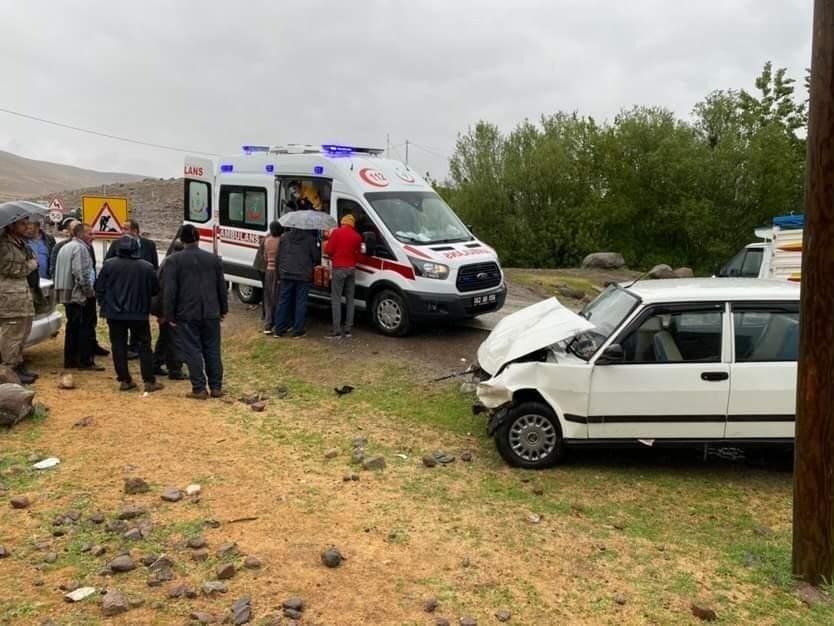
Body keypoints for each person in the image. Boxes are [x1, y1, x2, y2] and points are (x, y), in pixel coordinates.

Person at [163, 224, 228, 400]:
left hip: (186, 312)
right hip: (210, 311)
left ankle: (199, 388)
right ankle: (216, 387)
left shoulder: (173, 261)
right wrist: (223, 309)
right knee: (213, 349)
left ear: (181, 240)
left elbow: (170, 290)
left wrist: (169, 314)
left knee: (192, 350)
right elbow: (221, 287)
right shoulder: (213, 259)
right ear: (198, 238)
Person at [96, 236, 163, 392]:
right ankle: (149, 380)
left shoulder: (109, 265)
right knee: (144, 346)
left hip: (114, 313)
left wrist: (105, 303)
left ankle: (125, 380)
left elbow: (99, 287)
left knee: (118, 346)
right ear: (135, 249)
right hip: (138, 313)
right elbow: (155, 290)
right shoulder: (146, 267)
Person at [105, 219, 158, 358]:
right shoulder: (116, 244)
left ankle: (136, 347)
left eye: (126, 229)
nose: (122, 232)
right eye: (121, 229)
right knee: (120, 333)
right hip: (120, 295)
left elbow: (154, 268)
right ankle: (127, 352)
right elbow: (107, 266)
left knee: (140, 331)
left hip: (140, 295)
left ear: (135, 231)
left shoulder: (149, 245)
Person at [54, 223, 103, 371]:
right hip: (79, 296)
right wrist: (89, 292)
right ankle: (84, 361)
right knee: (84, 328)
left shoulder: (65, 247)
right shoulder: (80, 248)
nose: (93, 237)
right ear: (80, 234)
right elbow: (81, 274)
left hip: (67, 295)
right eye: (90, 234)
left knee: (72, 328)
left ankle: (70, 360)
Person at [0, 212, 39, 384]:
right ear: (11, 226)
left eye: (27, 223)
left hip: (21, 296)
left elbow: (30, 260)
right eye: (22, 224)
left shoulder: (20, 244)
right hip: (9, 298)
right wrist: (31, 264)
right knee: (11, 336)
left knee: (22, 333)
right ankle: (8, 372)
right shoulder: (4, 245)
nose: (27, 227)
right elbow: (13, 268)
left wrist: (30, 261)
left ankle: (18, 365)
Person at [273, 227, 319, 338]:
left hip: (286, 273)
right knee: (301, 302)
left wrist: (279, 273)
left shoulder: (284, 237)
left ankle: (279, 329)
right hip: (303, 275)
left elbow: (279, 256)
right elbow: (316, 257)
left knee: (283, 301)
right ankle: (298, 330)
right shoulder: (310, 239)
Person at [151, 240, 186, 379]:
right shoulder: (174, 264)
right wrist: (167, 313)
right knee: (174, 338)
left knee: (165, 337)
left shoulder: (168, 261)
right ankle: (175, 369)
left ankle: (156, 364)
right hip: (168, 308)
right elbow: (167, 290)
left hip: (163, 307)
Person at [324, 214, 363, 339]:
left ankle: (336, 330)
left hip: (339, 268)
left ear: (343, 223)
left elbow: (329, 250)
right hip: (351, 269)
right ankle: (348, 329)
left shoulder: (337, 233)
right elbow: (358, 255)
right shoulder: (357, 236)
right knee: (350, 299)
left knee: (336, 299)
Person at [254, 221, 283, 334]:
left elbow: (265, 257)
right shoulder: (281, 241)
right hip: (276, 271)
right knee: (276, 297)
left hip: (266, 270)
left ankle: (267, 323)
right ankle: (276, 323)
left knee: (267, 296)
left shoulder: (267, 239)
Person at [26, 215, 55, 279]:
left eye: (30, 227)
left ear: (37, 226)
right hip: (30, 282)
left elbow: (54, 259)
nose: (27, 229)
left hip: (46, 281)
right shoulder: (23, 241)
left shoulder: (49, 239)